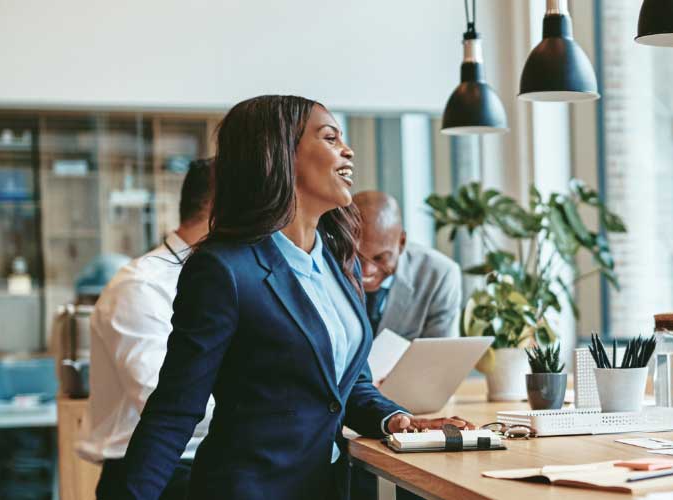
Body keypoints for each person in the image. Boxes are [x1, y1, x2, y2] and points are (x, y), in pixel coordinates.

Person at [104, 95, 471, 500]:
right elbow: (174, 410)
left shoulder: (337, 262)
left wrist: (395, 419)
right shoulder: (224, 269)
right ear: (281, 154)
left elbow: (347, 386)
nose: (347, 151)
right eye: (330, 138)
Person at [80, 158, 216, 500]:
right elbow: (165, 402)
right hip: (152, 476)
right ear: (219, 210)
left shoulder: (219, 279)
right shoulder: (141, 286)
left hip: (203, 467)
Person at [352, 191, 462, 341]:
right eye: (357, 257)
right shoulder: (323, 269)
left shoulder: (439, 275)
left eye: (380, 258)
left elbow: (442, 357)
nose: (366, 270)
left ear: (402, 242)